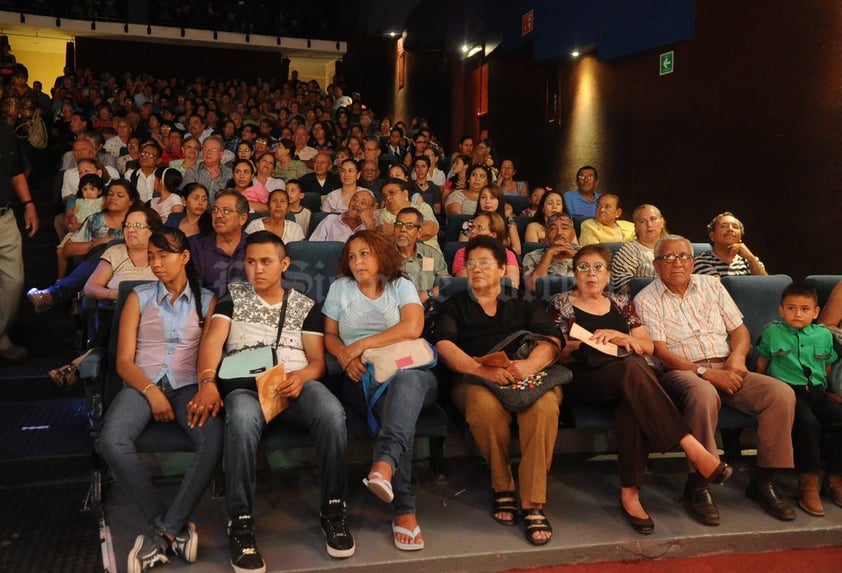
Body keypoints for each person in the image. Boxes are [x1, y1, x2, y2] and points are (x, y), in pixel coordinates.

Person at [547, 244, 732, 534]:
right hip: (586, 377)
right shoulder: (561, 303)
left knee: (632, 397)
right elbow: (556, 350)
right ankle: (692, 447)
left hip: (627, 379)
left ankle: (630, 493)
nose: (591, 273)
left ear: (608, 274)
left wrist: (619, 336)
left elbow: (647, 346)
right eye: (583, 267)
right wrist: (591, 342)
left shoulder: (622, 303)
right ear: (575, 273)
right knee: (634, 370)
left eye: (598, 267)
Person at [197, 231, 354, 570]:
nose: (257, 269)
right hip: (246, 385)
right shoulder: (233, 297)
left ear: (284, 264)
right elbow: (212, 342)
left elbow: (316, 362)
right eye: (250, 262)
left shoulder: (303, 304)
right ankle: (240, 522)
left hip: (293, 383)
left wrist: (301, 378)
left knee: (330, 412)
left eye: (266, 262)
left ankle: (334, 508)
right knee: (239, 417)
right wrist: (207, 381)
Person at [634, 235, 797, 524]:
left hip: (727, 365)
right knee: (704, 394)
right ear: (656, 265)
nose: (677, 263)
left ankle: (764, 480)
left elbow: (740, 331)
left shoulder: (712, 286)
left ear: (693, 261)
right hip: (683, 372)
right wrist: (707, 374)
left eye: (683, 256)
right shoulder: (646, 298)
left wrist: (736, 358)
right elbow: (660, 352)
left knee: (780, 394)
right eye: (668, 258)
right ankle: (698, 484)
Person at [100, 227, 221, 573]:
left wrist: (203, 386)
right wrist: (151, 392)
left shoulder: (207, 301)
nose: (154, 263)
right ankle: (170, 525)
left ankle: (163, 532)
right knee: (112, 439)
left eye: (162, 256)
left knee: (212, 440)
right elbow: (123, 360)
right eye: (150, 256)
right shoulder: (139, 297)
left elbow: (209, 355)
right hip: (142, 383)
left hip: (187, 386)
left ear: (184, 257)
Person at [432, 235, 561, 546]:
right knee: (483, 407)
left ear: (503, 269)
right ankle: (502, 485)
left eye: (484, 263)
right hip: (475, 378)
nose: (476, 269)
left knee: (543, 407)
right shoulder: (455, 304)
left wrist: (528, 366)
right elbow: (444, 345)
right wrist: (480, 369)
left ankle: (532, 501)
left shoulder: (521, 301)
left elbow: (553, 340)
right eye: (470, 263)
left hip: (526, 373)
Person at [323, 230, 437, 551]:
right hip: (361, 378)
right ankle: (401, 504)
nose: (357, 261)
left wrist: (361, 344)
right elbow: (329, 335)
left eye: (365, 254)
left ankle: (387, 470)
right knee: (397, 408)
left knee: (405, 384)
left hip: (410, 371)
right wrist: (346, 359)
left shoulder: (400, 285)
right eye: (352, 255)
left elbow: (412, 328)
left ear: (382, 254)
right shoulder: (340, 288)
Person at [49, 206, 163, 385]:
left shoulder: (163, 256)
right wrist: (114, 293)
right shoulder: (114, 252)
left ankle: (84, 358)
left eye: (138, 225)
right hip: (115, 309)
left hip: (154, 316)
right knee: (123, 307)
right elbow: (90, 287)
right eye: (127, 225)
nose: (130, 230)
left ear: (153, 231)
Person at [756, 282, 842, 516]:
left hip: (815, 391)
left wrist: (825, 390)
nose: (797, 314)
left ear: (815, 312)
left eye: (805, 309)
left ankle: (835, 478)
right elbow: (762, 362)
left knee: (838, 417)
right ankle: (809, 483)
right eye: (791, 308)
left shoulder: (823, 334)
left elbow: (826, 365)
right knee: (807, 424)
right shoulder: (773, 331)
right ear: (781, 310)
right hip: (787, 392)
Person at [28, 180, 141, 313]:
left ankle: (52, 295)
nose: (113, 198)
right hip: (98, 266)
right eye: (110, 194)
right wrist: (96, 243)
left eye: (120, 195)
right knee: (105, 251)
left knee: (113, 247)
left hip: (130, 265)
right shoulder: (94, 220)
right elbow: (67, 250)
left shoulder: (138, 221)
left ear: (131, 201)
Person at [0, 119, 37, 361]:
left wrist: (29, 204)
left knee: (15, 281)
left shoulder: (4, 128)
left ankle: (1, 336)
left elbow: (16, 170)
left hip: (4, 214)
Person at [189, 190, 248, 298]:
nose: (218, 215)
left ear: (242, 219)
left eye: (226, 211)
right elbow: (193, 291)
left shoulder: (255, 246)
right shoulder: (196, 247)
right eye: (215, 210)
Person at [393, 207, 449, 304]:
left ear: (419, 233)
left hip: (429, 310)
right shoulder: (383, 256)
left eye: (409, 226)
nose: (402, 229)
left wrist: (428, 294)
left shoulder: (432, 255)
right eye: (399, 224)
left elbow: (446, 284)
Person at [610, 204, 668, 295]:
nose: (649, 225)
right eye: (642, 221)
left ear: (662, 222)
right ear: (636, 228)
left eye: (653, 219)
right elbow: (621, 287)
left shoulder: (674, 246)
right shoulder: (629, 250)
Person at [452, 212, 520, 288]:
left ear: (493, 235)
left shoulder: (508, 254)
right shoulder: (462, 253)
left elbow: (512, 285)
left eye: (479, 228)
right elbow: (465, 284)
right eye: (472, 227)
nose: (473, 231)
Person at [57, 173, 105, 279]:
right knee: (60, 250)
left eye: (92, 189)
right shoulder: (78, 202)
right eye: (85, 189)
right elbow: (72, 215)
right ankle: (60, 278)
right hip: (76, 231)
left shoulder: (102, 201)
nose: (88, 192)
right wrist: (73, 219)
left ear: (100, 191)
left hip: (91, 232)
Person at [693, 212, 767, 277]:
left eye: (735, 227)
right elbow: (718, 289)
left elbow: (765, 286)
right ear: (712, 236)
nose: (730, 229)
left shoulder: (751, 260)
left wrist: (751, 258)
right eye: (723, 226)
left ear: (740, 237)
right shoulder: (702, 261)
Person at [377, 178, 440, 252]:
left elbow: (430, 230)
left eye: (392, 193)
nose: (387, 198)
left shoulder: (422, 208)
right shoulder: (382, 214)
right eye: (384, 196)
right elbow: (386, 241)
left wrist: (393, 229)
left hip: (430, 256)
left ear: (405, 194)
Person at [522, 213, 579, 293]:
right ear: (546, 234)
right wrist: (549, 253)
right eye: (553, 228)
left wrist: (576, 256)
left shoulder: (588, 253)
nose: (559, 232)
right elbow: (533, 287)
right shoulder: (531, 256)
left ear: (573, 233)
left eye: (564, 228)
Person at [459, 184, 520, 255]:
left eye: (492, 197)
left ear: (500, 201)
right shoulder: (469, 224)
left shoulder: (508, 222)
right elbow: (463, 249)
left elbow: (517, 250)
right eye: (483, 197)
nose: (487, 201)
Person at [309, 190, 375, 243]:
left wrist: (369, 226)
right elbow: (313, 247)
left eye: (363, 203)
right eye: (354, 200)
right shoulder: (330, 220)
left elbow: (378, 252)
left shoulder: (371, 228)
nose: (356, 204)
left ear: (370, 210)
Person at [182, 136, 233, 204]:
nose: (208, 153)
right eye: (205, 149)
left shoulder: (229, 174)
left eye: (213, 150)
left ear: (221, 154)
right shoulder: (192, 171)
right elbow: (189, 198)